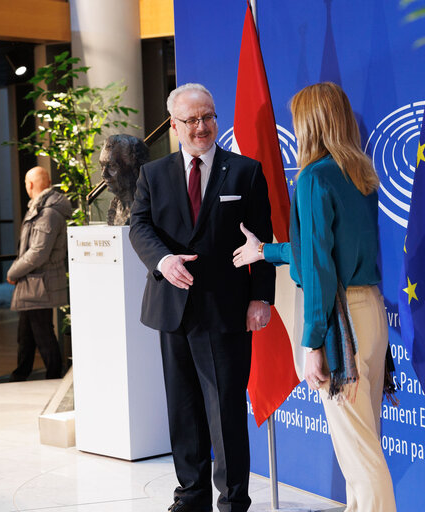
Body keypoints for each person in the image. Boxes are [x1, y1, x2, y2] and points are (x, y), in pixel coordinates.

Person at [233, 82, 397, 512]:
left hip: (341, 322)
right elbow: (319, 252)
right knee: (363, 440)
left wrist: (312, 344)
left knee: (360, 453)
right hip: (370, 313)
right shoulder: (360, 174)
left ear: (311, 123)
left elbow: (319, 270)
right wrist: (265, 250)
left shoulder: (313, 177)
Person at [129, 83, 275, 512]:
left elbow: (261, 239)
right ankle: (190, 497)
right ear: (174, 126)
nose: (202, 127)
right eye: (191, 120)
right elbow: (140, 228)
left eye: (208, 116)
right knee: (183, 409)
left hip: (226, 310)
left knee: (225, 414)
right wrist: (162, 261)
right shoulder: (152, 175)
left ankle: (233, 502)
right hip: (172, 308)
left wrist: (260, 298)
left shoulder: (245, 171)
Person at [7, 166, 71, 381]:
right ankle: (20, 374)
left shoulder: (48, 212)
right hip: (34, 283)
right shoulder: (40, 208)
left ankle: (54, 375)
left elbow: (38, 252)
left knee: (42, 332)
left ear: (30, 184)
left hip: (40, 283)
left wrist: (14, 271)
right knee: (25, 333)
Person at [99, 134, 149, 226]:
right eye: (102, 166)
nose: (104, 174)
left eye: (112, 166)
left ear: (134, 167)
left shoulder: (150, 207)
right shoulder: (115, 208)